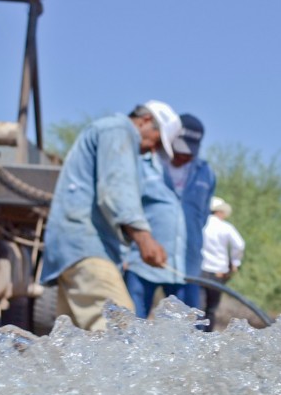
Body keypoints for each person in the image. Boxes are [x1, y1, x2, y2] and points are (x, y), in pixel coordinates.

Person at [41, 101, 182, 331]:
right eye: (156, 141)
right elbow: (117, 190)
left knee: (75, 344)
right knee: (120, 330)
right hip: (86, 248)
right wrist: (144, 239)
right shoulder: (119, 130)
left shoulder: (109, 132)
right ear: (146, 121)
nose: (152, 150)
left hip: (72, 248)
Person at [122, 148, 186, 319]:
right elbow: (125, 207)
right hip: (140, 263)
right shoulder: (140, 165)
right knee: (131, 323)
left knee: (183, 331)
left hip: (182, 268)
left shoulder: (202, 172)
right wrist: (126, 254)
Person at [162, 113, 216, 309]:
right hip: (146, 260)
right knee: (131, 320)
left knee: (191, 326)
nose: (183, 156)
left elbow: (202, 215)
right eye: (179, 150)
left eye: (189, 152)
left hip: (188, 261)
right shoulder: (151, 165)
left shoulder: (206, 173)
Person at [200, 196, 245, 330]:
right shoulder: (226, 227)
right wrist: (235, 262)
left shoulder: (200, 224)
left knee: (196, 307)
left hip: (199, 271)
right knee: (211, 309)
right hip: (218, 273)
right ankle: (206, 341)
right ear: (220, 212)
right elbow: (240, 245)